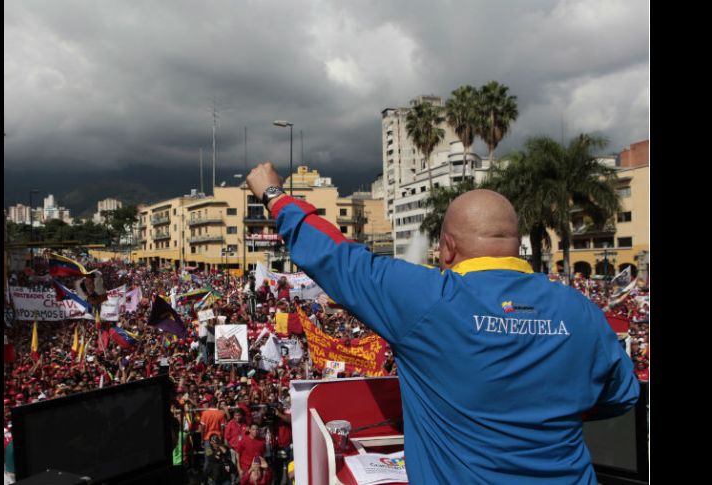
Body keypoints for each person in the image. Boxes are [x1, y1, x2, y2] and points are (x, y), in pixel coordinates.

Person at [246, 162, 640, 484]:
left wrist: (275, 195)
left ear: (448, 247)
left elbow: (338, 258)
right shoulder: (581, 310)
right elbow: (623, 394)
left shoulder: (430, 299)